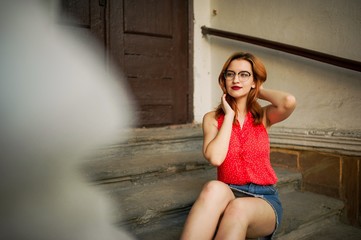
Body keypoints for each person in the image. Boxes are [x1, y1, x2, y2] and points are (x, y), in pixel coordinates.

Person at [180, 52, 296, 240]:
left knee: (238, 208)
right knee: (212, 187)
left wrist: (257, 89)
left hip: (263, 198)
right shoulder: (212, 119)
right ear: (224, 80)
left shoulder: (263, 116)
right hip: (227, 193)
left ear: (254, 81)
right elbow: (216, 158)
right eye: (230, 74)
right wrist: (228, 116)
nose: (236, 79)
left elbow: (288, 102)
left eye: (244, 74)